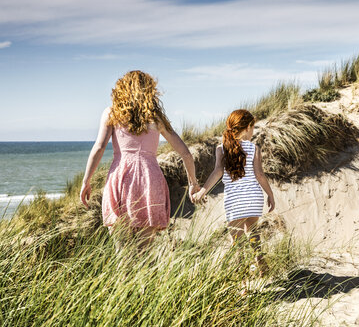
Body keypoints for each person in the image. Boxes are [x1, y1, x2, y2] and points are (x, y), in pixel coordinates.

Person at [80, 70, 200, 250]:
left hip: (121, 178)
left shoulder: (112, 113)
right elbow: (186, 154)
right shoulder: (156, 117)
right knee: (146, 256)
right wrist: (193, 183)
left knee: (123, 255)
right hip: (149, 180)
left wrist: (86, 181)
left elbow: (99, 147)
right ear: (149, 90)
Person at [194, 109, 275, 277]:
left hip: (235, 201)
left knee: (236, 243)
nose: (253, 132)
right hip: (254, 198)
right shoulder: (254, 148)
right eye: (253, 127)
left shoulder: (221, 149)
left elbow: (217, 172)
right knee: (252, 232)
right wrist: (270, 194)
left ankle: (243, 283)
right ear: (246, 128)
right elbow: (259, 175)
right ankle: (261, 264)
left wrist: (202, 191)